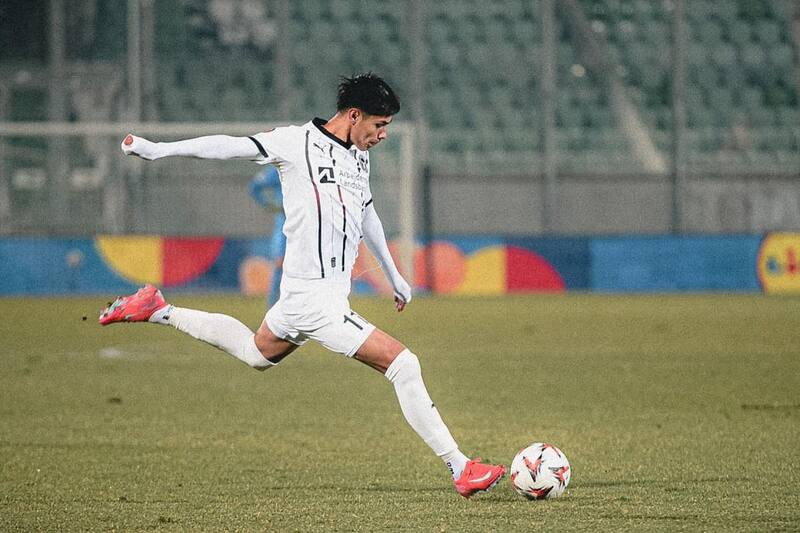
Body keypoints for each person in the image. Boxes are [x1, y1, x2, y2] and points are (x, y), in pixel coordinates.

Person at [99, 73, 505, 498]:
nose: (383, 135)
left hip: (307, 296)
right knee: (405, 365)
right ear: (353, 115)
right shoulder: (295, 143)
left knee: (257, 353)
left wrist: (394, 273)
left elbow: (367, 213)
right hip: (314, 299)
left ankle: (158, 309)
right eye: (378, 125)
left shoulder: (359, 157)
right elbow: (228, 146)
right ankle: (461, 467)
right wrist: (159, 150)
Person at [249, 165, 286, 305]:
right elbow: (254, 187)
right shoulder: (278, 170)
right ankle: (272, 309)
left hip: (306, 224)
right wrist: (270, 205)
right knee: (279, 264)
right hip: (285, 225)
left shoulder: (306, 165)